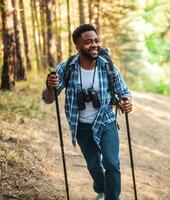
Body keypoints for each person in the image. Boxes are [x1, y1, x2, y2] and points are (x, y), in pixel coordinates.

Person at [42, 24, 132, 200]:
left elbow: (125, 93)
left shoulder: (108, 66)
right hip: (81, 126)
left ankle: (112, 198)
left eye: (96, 40)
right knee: (94, 165)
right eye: (88, 41)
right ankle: (102, 190)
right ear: (77, 46)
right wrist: (49, 87)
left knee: (112, 164)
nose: (94, 44)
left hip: (106, 121)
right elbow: (48, 99)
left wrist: (127, 103)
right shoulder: (66, 67)